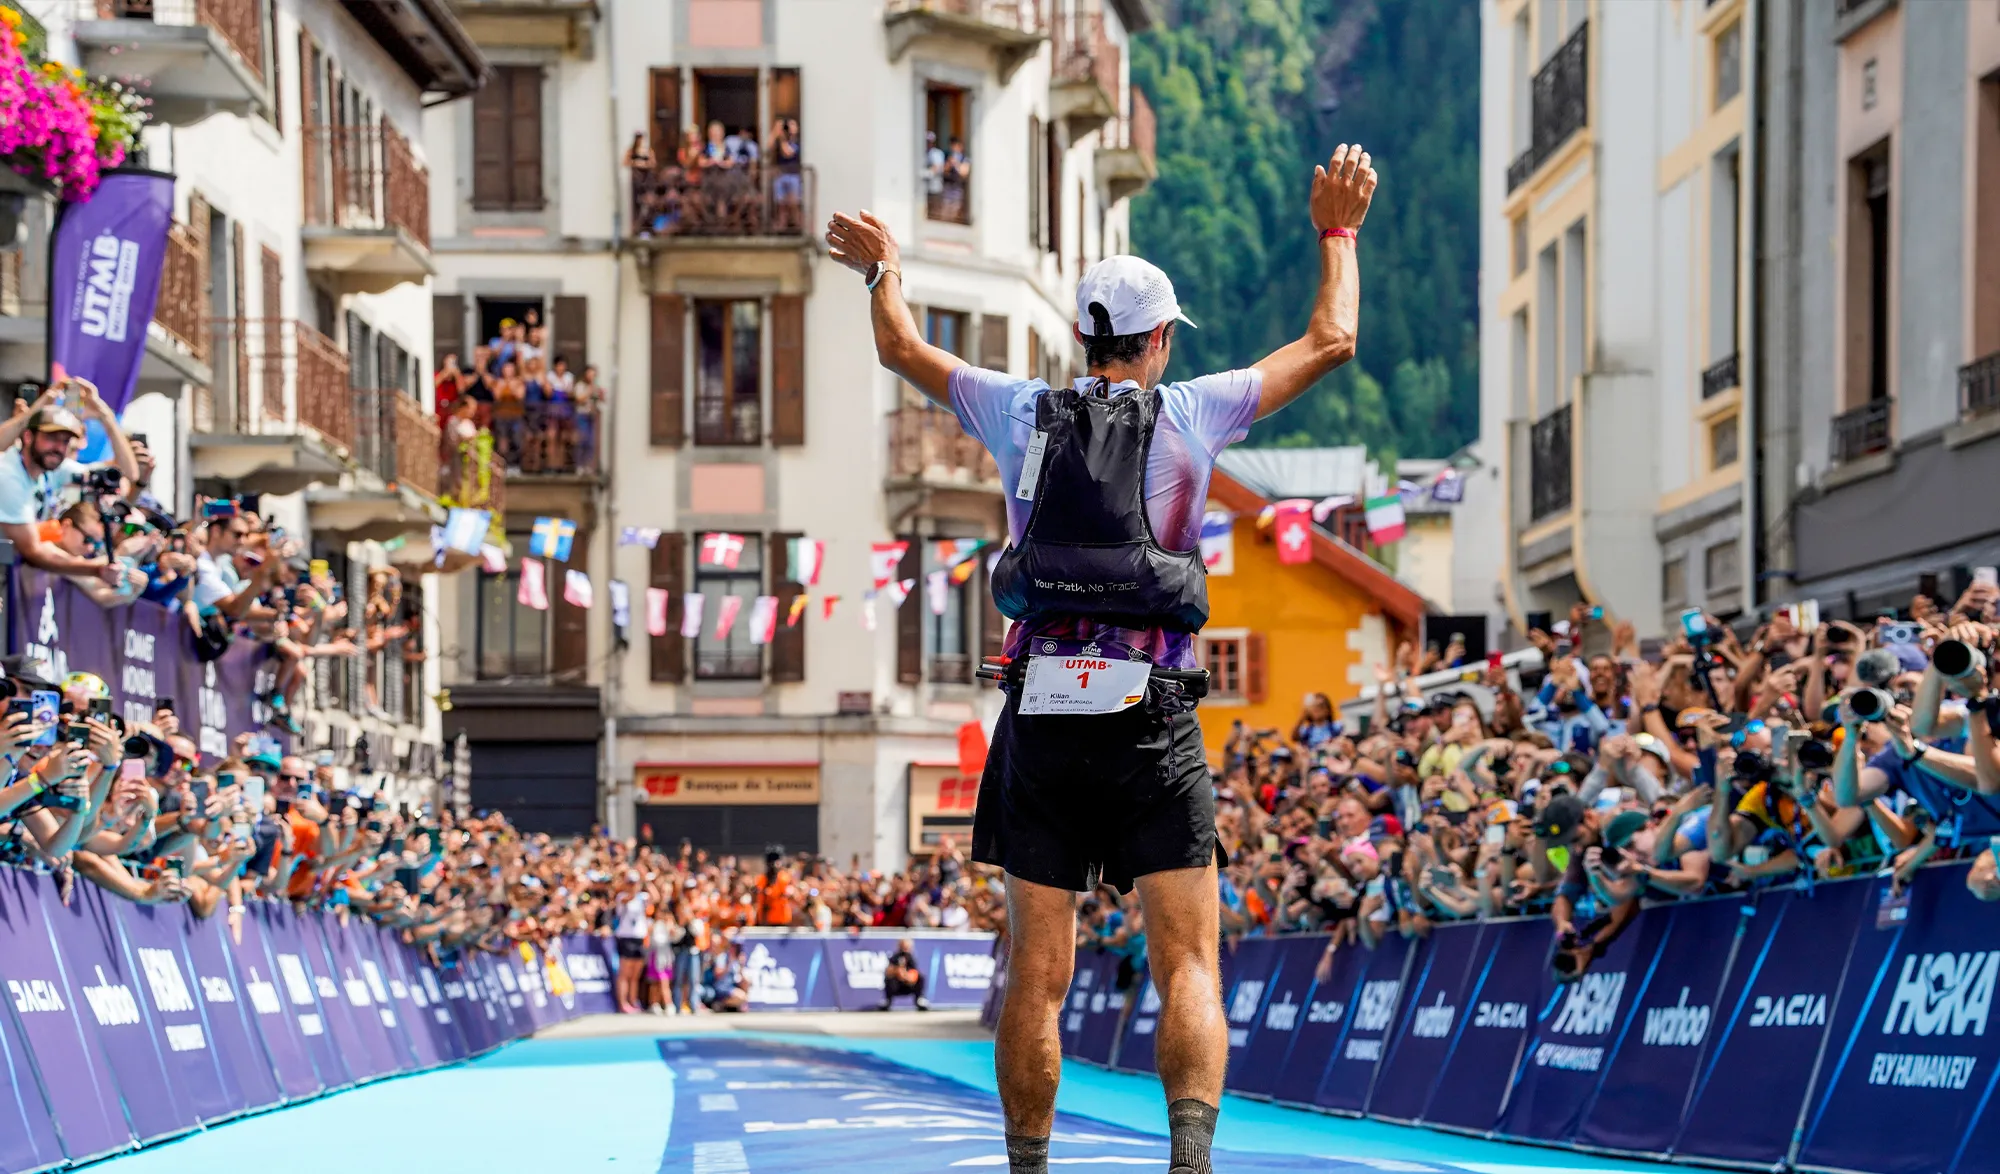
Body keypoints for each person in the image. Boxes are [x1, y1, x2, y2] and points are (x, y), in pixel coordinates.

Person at [827, 141, 1377, 1174]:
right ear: (1159, 338)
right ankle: (1188, 1160)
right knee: (1187, 963)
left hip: (1038, 711)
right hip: (1151, 712)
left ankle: (1029, 1167)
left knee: (1035, 970)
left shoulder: (1013, 409)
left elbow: (900, 348)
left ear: (1082, 336)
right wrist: (1335, 230)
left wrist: (881, 267)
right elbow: (1332, 339)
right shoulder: (1192, 412)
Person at [882, 937, 929, 1011]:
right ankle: (888, 1001)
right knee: (889, 979)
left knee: (921, 977)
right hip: (897, 985)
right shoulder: (894, 957)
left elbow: (914, 972)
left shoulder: (911, 958)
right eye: (904, 945)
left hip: (908, 983)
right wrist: (897, 971)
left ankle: (920, 999)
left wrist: (907, 976)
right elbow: (888, 971)